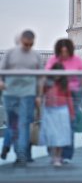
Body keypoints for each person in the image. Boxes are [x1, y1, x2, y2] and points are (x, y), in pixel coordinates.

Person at [0, 30, 41, 166]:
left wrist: (38, 95)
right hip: (10, 92)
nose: (28, 47)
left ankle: (20, 155)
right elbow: (1, 70)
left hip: (27, 94)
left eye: (31, 44)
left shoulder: (36, 55)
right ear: (21, 40)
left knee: (23, 124)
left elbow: (40, 77)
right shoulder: (10, 53)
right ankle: (8, 146)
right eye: (26, 44)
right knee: (13, 124)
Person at [45, 39, 82, 162]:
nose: (64, 54)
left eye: (66, 51)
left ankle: (67, 154)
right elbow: (46, 77)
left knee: (70, 122)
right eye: (61, 51)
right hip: (57, 93)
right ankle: (53, 151)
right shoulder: (53, 60)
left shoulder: (77, 60)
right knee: (54, 124)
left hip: (73, 94)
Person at [40, 63, 74, 167]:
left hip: (62, 111)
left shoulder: (65, 83)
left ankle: (58, 157)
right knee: (52, 135)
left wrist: (71, 113)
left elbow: (69, 99)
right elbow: (41, 95)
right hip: (49, 111)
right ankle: (54, 156)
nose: (57, 75)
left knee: (61, 136)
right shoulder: (47, 83)